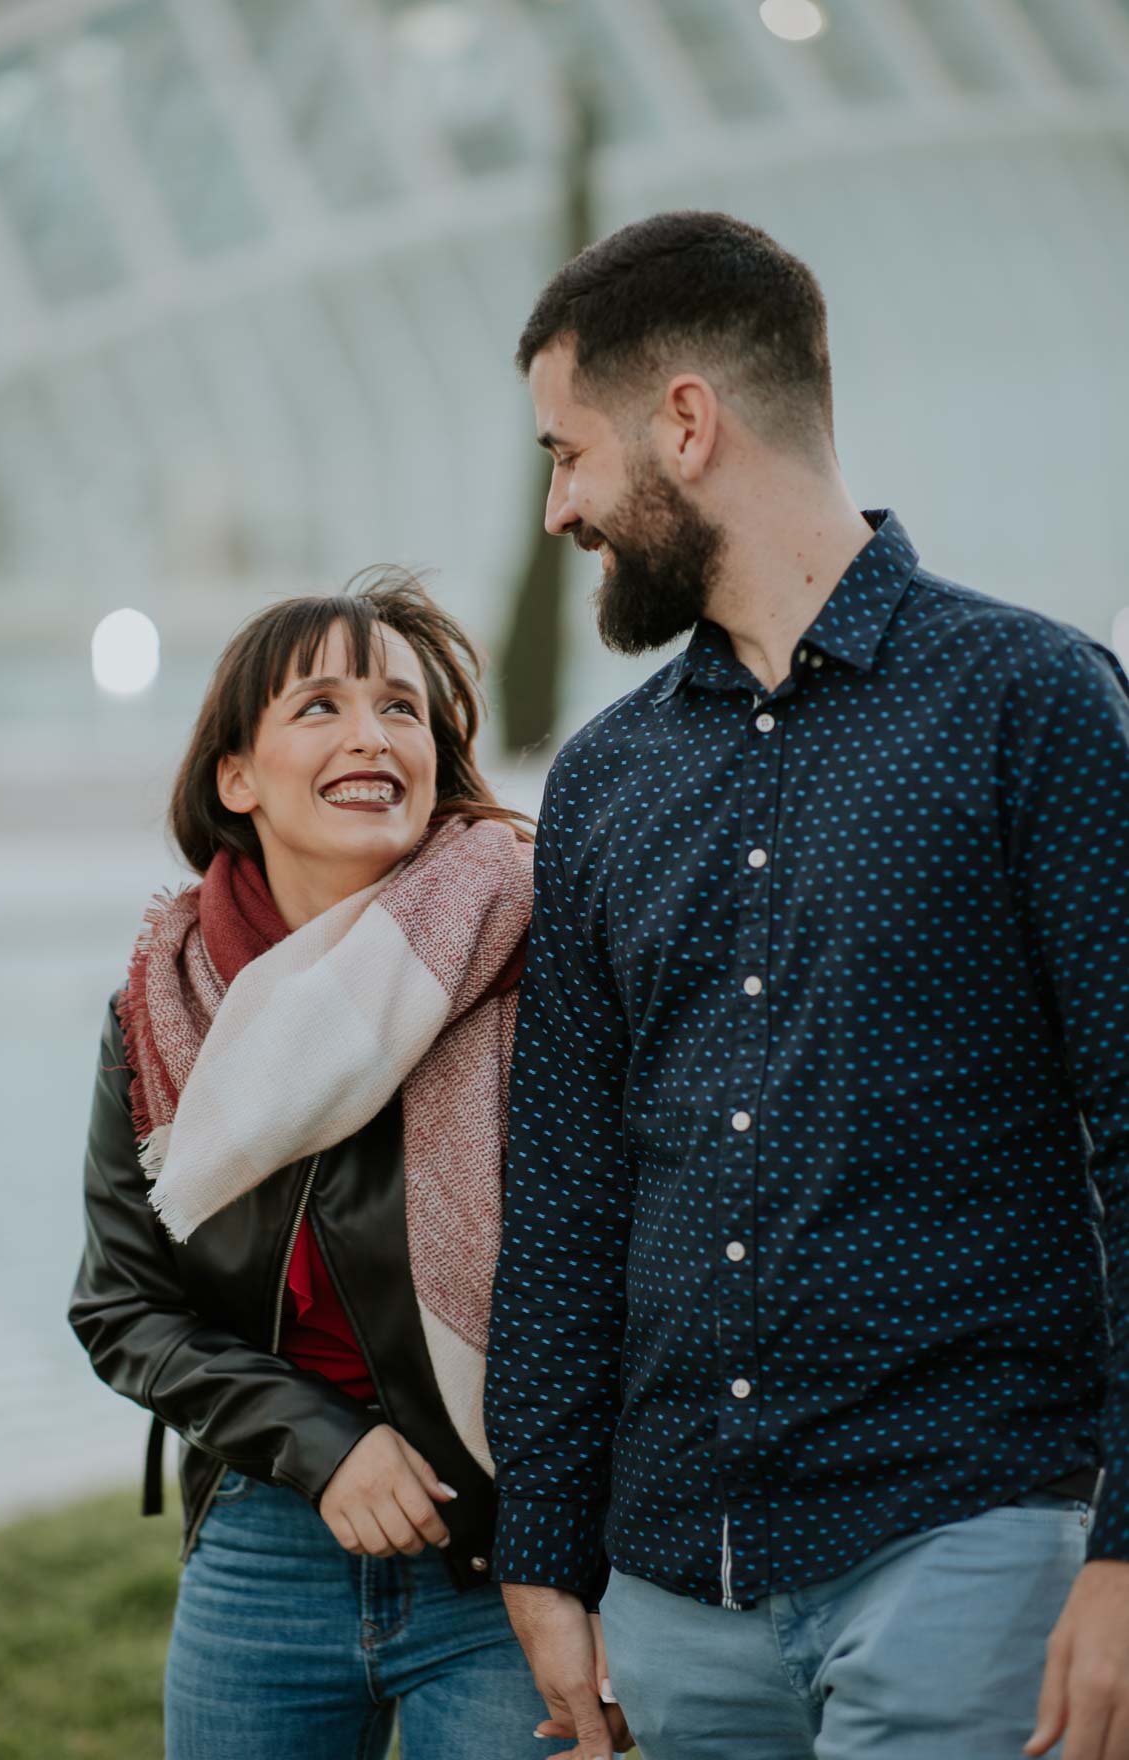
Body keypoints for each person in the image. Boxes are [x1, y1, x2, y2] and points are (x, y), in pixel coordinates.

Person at [483, 210, 1129, 1760]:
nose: (560, 506)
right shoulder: (604, 781)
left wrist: (1123, 1554)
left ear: (686, 422)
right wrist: (545, 1559)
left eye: (569, 453)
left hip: (962, 1551)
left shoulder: (1031, 705)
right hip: (668, 1604)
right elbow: (569, 1189)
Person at [69, 570, 562, 1760]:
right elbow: (122, 1303)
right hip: (265, 1537)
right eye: (321, 707)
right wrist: (321, 1441)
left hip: (504, 1554)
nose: (373, 735)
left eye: (403, 709)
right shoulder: (161, 1003)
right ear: (236, 776)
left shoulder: (532, 957)